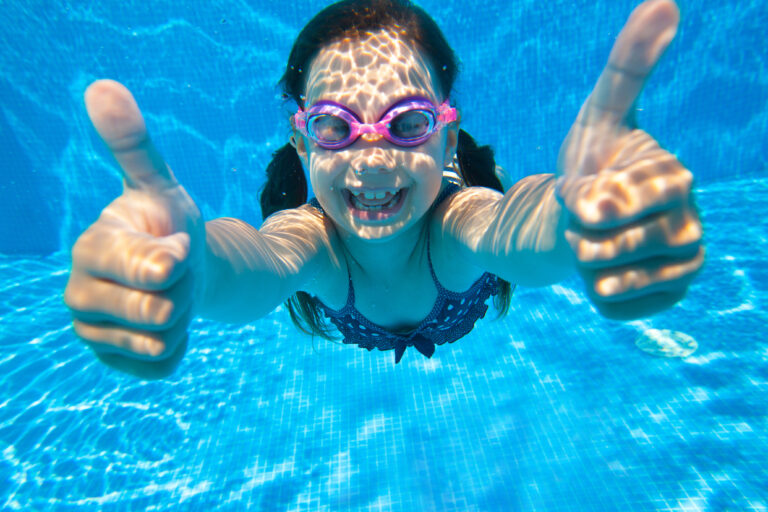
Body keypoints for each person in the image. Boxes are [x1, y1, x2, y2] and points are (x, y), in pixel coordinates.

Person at [64, 0, 704, 379]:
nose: (370, 160)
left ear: (446, 142)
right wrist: (192, 266)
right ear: (302, 145)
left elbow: (513, 225)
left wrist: (576, 218)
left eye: (407, 123)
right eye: (335, 127)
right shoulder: (312, 242)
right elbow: (255, 261)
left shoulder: (458, 226)